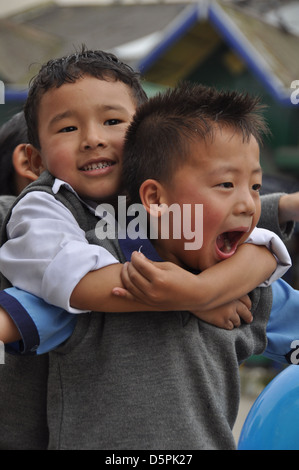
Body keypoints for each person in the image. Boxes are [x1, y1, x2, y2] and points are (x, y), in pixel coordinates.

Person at [0, 79, 296, 450]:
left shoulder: (241, 285)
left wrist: (205, 289)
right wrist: (194, 295)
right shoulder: (84, 270)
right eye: (225, 184)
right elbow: (54, 292)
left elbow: (260, 247)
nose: (248, 204)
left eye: (255, 187)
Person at [0, 49, 291, 353]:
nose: (93, 138)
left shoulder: (155, 201)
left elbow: (261, 250)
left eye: (112, 121)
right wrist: (186, 300)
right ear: (36, 160)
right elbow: (80, 280)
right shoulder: (40, 208)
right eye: (68, 128)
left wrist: (203, 290)